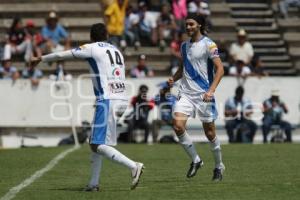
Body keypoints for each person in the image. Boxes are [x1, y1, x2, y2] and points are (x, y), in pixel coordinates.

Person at [31, 23, 144, 191]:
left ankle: (133, 166)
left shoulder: (91, 48)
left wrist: (42, 58)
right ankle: (93, 184)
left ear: (91, 37)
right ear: (107, 35)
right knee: (96, 142)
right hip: (121, 98)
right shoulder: (116, 50)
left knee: (96, 144)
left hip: (107, 99)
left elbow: (65, 54)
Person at [167, 13, 225, 181]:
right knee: (177, 126)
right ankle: (196, 160)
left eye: (191, 24)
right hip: (185, 93)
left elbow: (220, 69)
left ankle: (218, 166)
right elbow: (183, 67)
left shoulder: (209, 45)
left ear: (199, 25)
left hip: (203, 94)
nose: (188, 27)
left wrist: (211, 90)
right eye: (186, 24)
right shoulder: (184, 46)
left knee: (209, 133)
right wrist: (174, 78)